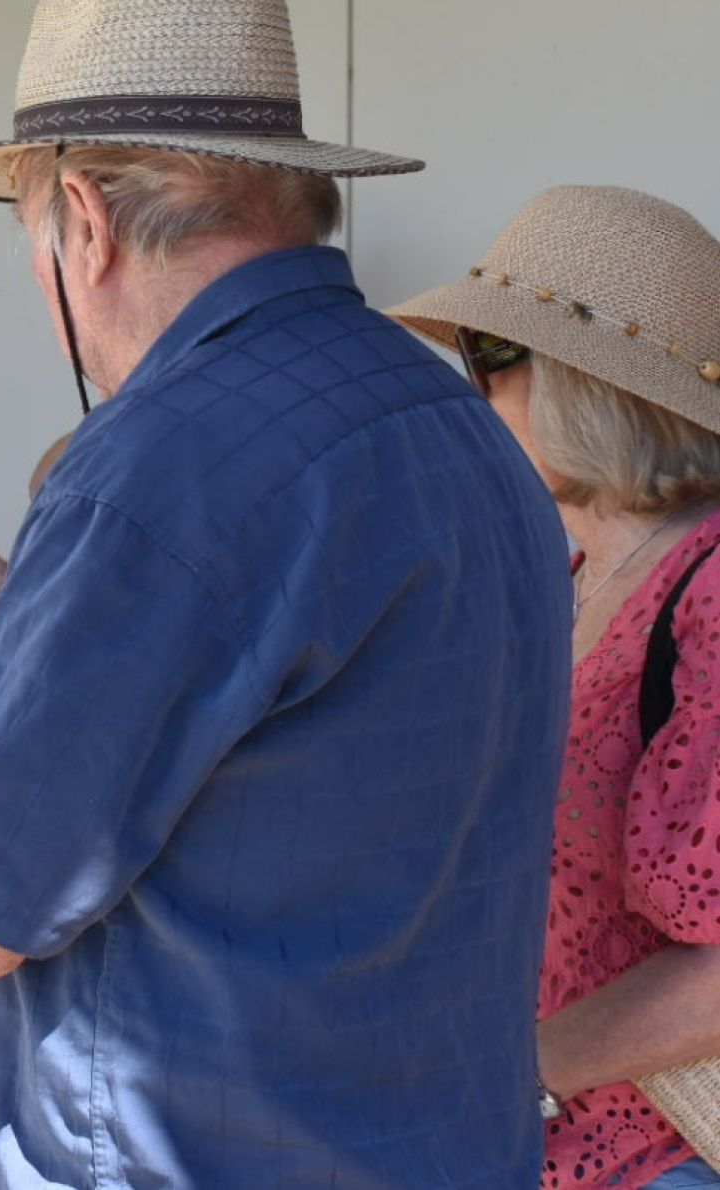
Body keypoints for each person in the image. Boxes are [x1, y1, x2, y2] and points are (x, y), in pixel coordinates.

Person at [0, 0, 573, 1184]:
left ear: (82, 221)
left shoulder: (162, 465)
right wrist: (14, 665)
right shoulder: (457, 423)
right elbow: (291, 764)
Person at [391, 185, 720, 1190]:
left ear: (586, 386)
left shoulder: (709, 585)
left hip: (660, 1157)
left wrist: (518, 1071)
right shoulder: (567, 581)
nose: (470, 389)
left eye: (489, 358)